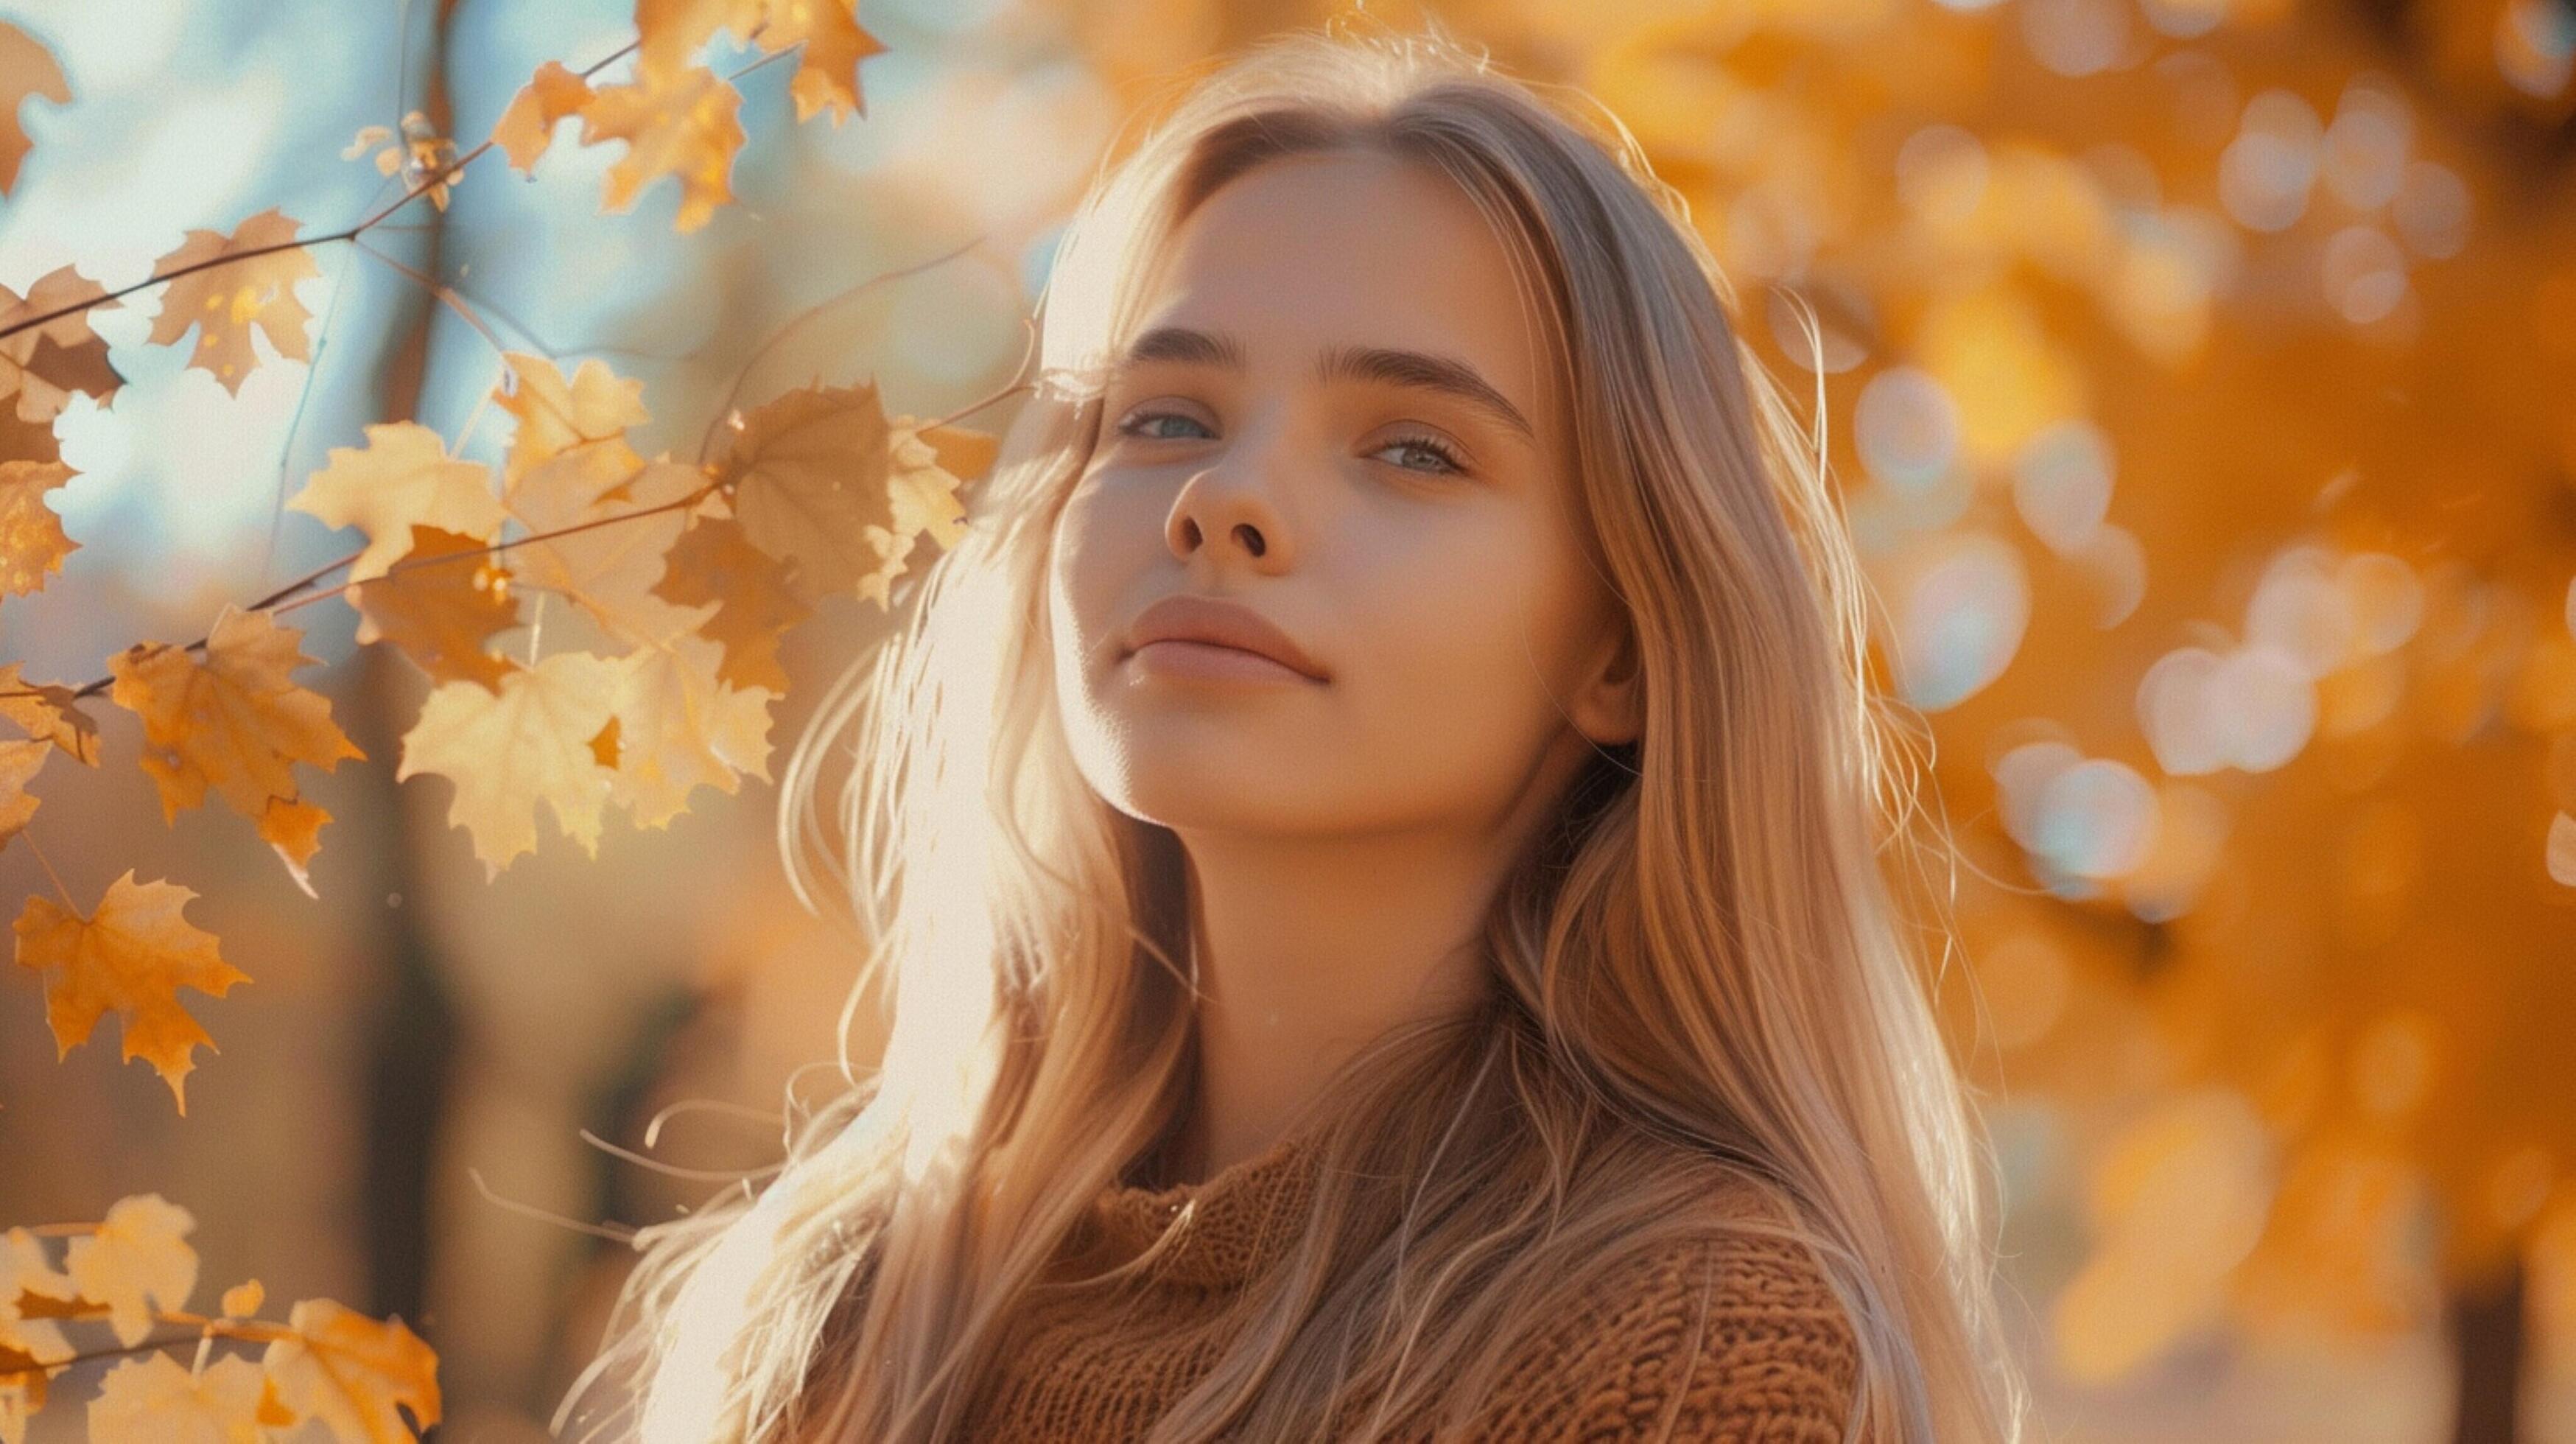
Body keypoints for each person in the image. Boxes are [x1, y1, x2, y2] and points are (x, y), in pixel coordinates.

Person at [560, 17, 2029, 1443]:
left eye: (1412, 446)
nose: (1223, 499)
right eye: (1165, 419)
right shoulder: (853, 1307)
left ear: (1622, 649)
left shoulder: (1691, 1340)